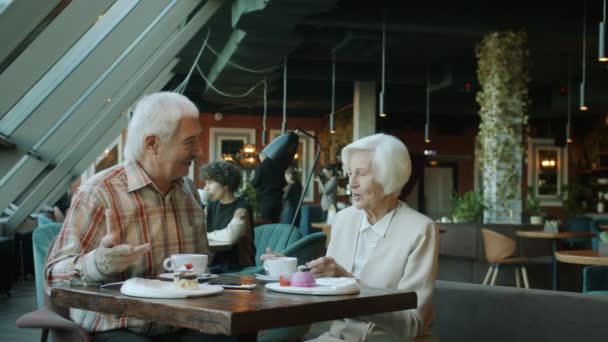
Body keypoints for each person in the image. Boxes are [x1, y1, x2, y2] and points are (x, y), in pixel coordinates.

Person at [45, 92, 230, 341]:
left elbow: (199, 266)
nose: (198, 150)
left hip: (183, 323)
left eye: (198, 140)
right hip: (119, 326)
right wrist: (99, 263)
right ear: (152, 144)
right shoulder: (99, 192)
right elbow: (53, 275)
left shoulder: (189, 193)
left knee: (233, 334)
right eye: (189, 141)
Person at [263, 133, 439, 341]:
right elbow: (325, 287)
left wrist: (349, 283)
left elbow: (412, 325)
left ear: (389, 177)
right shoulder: (343, 220)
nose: (351, 182)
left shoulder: (419, 230)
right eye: (350, 173)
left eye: (361, 174)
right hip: (336, 337)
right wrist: (291, 272)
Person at [201, 161, 254, 273]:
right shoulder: (210, 207)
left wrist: (206, 236)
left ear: (225, 184)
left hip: (237, 268)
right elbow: (197, 234)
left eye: (210, 183)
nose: (206, 188)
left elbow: (230, 237)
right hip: (214, 264)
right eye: (205, 183)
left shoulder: (241, 207)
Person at [251, 152, 284, 223]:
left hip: (267, 199)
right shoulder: (279, 166)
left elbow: (255, 183)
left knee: (266, 222)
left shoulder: (261, 167)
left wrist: (252, 179)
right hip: (278, 199)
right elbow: (283, 183)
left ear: (261, 156)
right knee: (276, 222)